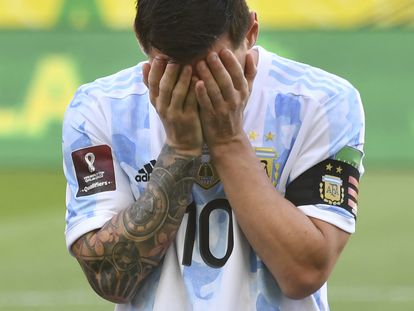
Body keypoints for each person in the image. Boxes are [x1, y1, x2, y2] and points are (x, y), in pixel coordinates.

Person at [62, 0, 365, 310]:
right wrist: (180, 150)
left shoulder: (321, 103)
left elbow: (304, 273)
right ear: (141, 40)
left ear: (250, 33)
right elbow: (109, 278)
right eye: (173, 70)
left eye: (214, 67)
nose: (198, 88)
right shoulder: (101, 107)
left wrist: (228, 140)